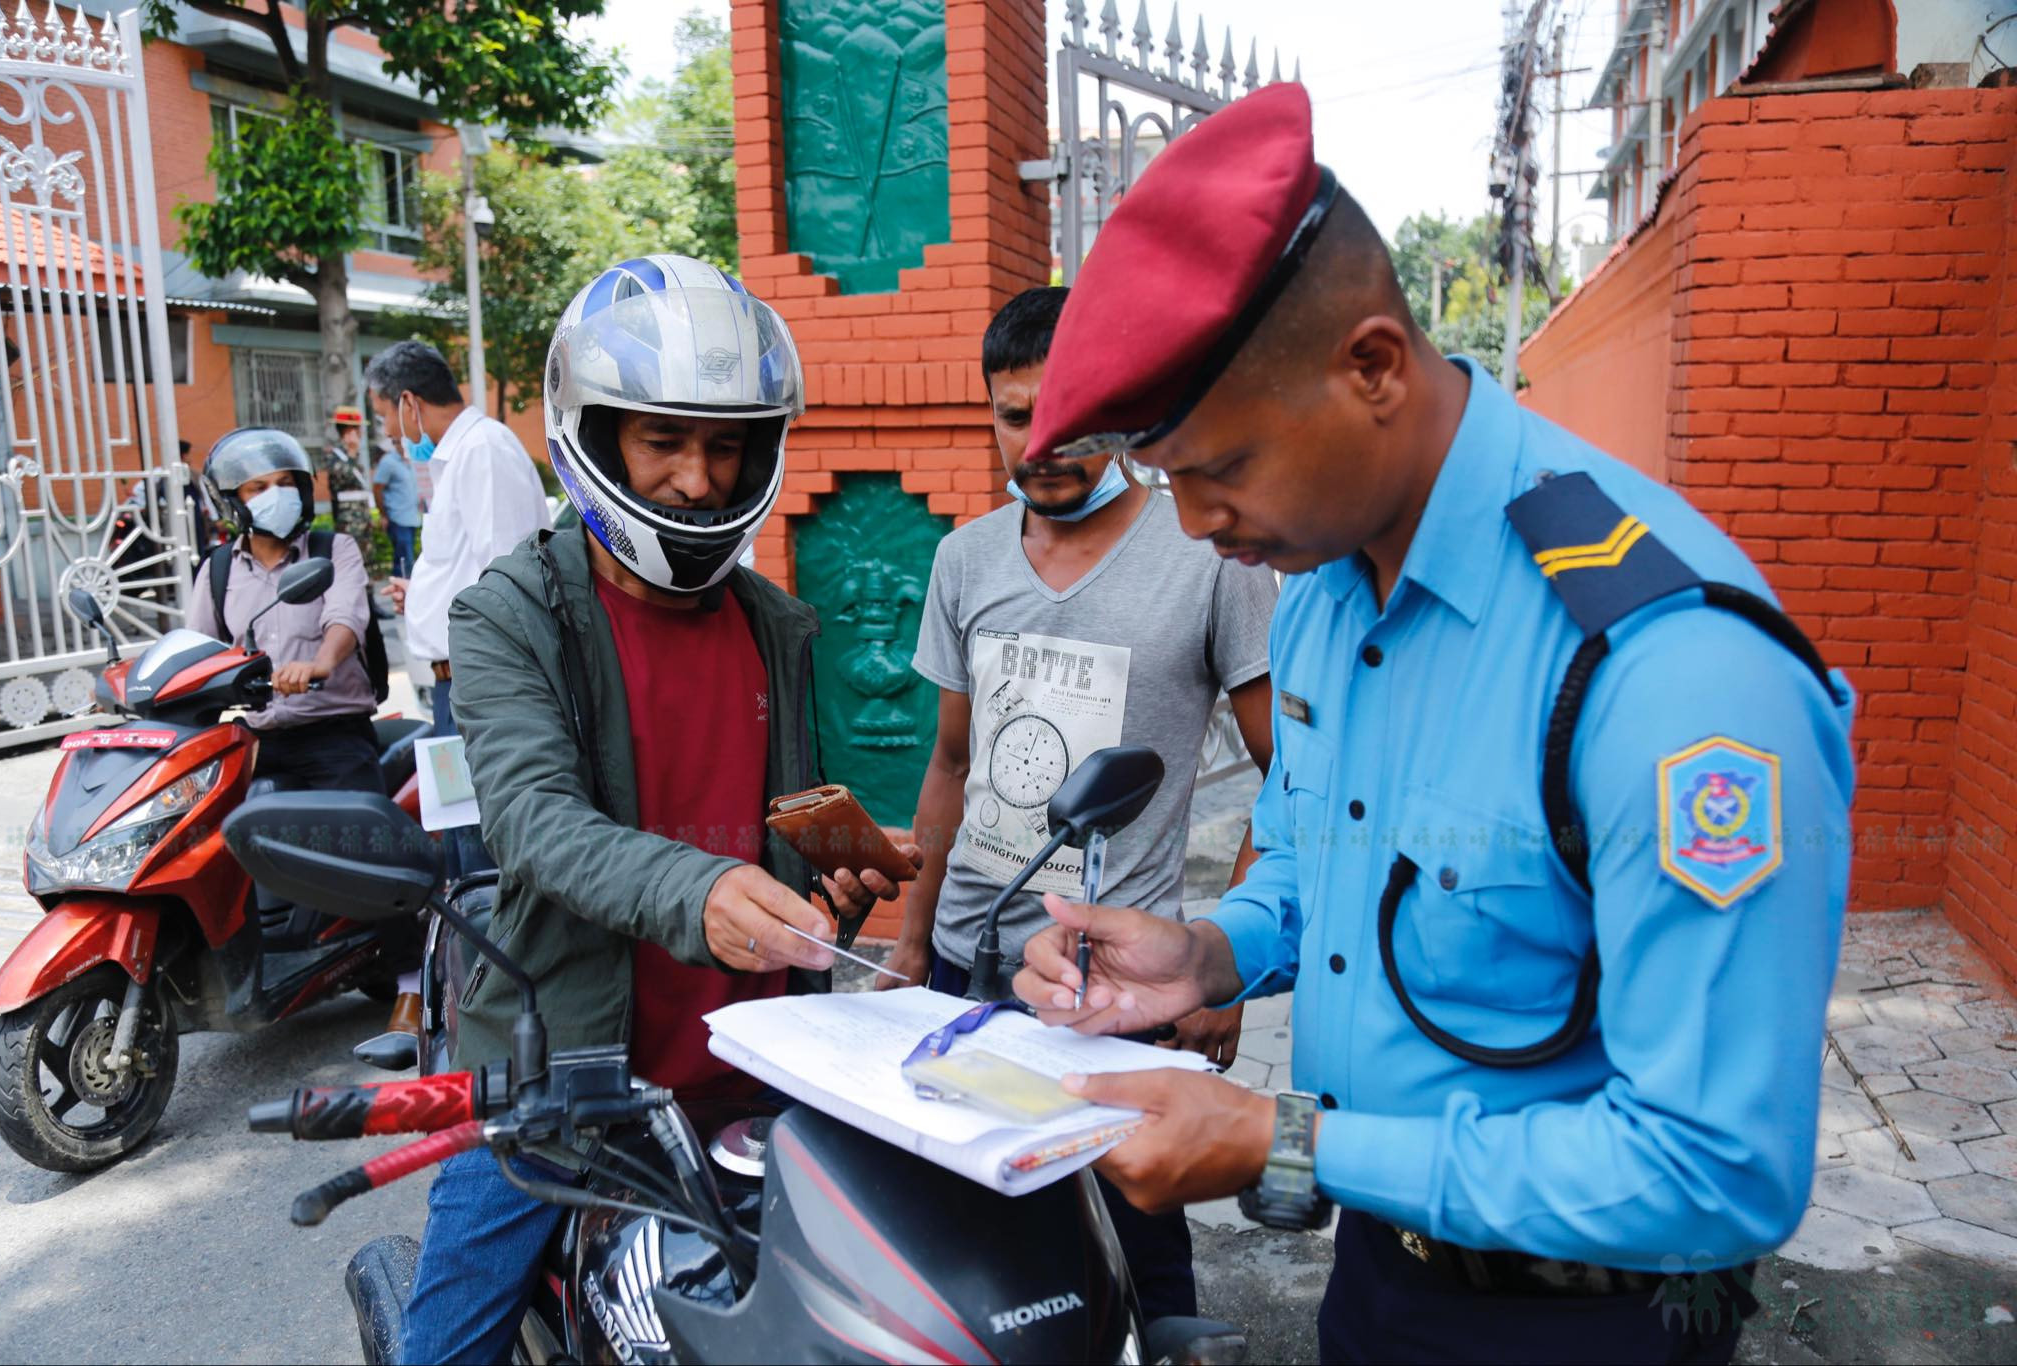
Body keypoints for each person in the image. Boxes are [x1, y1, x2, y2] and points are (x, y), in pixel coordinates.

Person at [1007, 84, 1856, 1365]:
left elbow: (1715, 1167)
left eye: (1219, 470)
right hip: (1375, 1281)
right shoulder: (1321, 593)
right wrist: (1204, 957)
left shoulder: (1665, 671)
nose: (1192, 525)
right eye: (1167, 481)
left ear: (1371, 369)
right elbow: (1317, 861)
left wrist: (1281, 1141)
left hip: (1590, 1321)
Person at [400, 255, 919, 1364]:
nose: (696, 479)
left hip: (764, 1067)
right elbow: (534, 821)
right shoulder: (510, 616)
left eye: (725, 445)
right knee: (441, 1346)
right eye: (664, 441)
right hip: (565, 1082)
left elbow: (776, 796)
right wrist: (699, 888)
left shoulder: (773, 618)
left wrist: (844, 849)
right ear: (592, 435)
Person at [876, 284, 1277, 1324]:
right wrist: (915, 941)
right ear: (991, 416)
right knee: (972, 1259)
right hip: (968, 967)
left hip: (1112, 995)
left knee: (1136, 1261)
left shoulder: (1203, 560)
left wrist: (1224, 965)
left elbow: (1291, 773)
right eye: (1017, 415)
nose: (1042, 441)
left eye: (1070, 413)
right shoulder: (962, 560)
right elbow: (952, 760)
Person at [368, 340, 550, 874]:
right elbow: (470, 566)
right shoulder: (459, 456)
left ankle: (487, 955)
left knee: (481, 845)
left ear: (409, 403)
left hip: (482, 681)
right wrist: (421, 593)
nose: (390, 433)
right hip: (457, 681)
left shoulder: (483, 451)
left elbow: (509, 572)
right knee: (462, 836)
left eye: (386, 418)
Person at [184, 428, 380, 794]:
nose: (276, 495)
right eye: (258, 488)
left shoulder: (335, 549)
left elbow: (346, 617)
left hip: (334, 734)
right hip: (257, 737)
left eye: (285, 483)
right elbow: (196, 653)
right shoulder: (219, 568)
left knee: (359, 840)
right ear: (233, 501)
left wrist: (320, 664)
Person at [322, 404, 376, 565]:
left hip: (362, 517)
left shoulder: (353, 455)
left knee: (366, 559)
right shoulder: (335, 455)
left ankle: (368, 589)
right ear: (347, 431)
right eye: (357, 429)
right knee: (352, 560)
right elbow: (341, 478)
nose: (360, 433)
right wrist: (351, 452)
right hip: (348, 520)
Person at [372, 431, 422, 578]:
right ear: (396, 443)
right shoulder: (388, 462)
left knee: (409, 560)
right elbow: (377, 488)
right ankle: (402, 593)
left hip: (412, 518)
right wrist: (383, 515)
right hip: (397, 518)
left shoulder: (411, 460)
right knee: (403, 562)